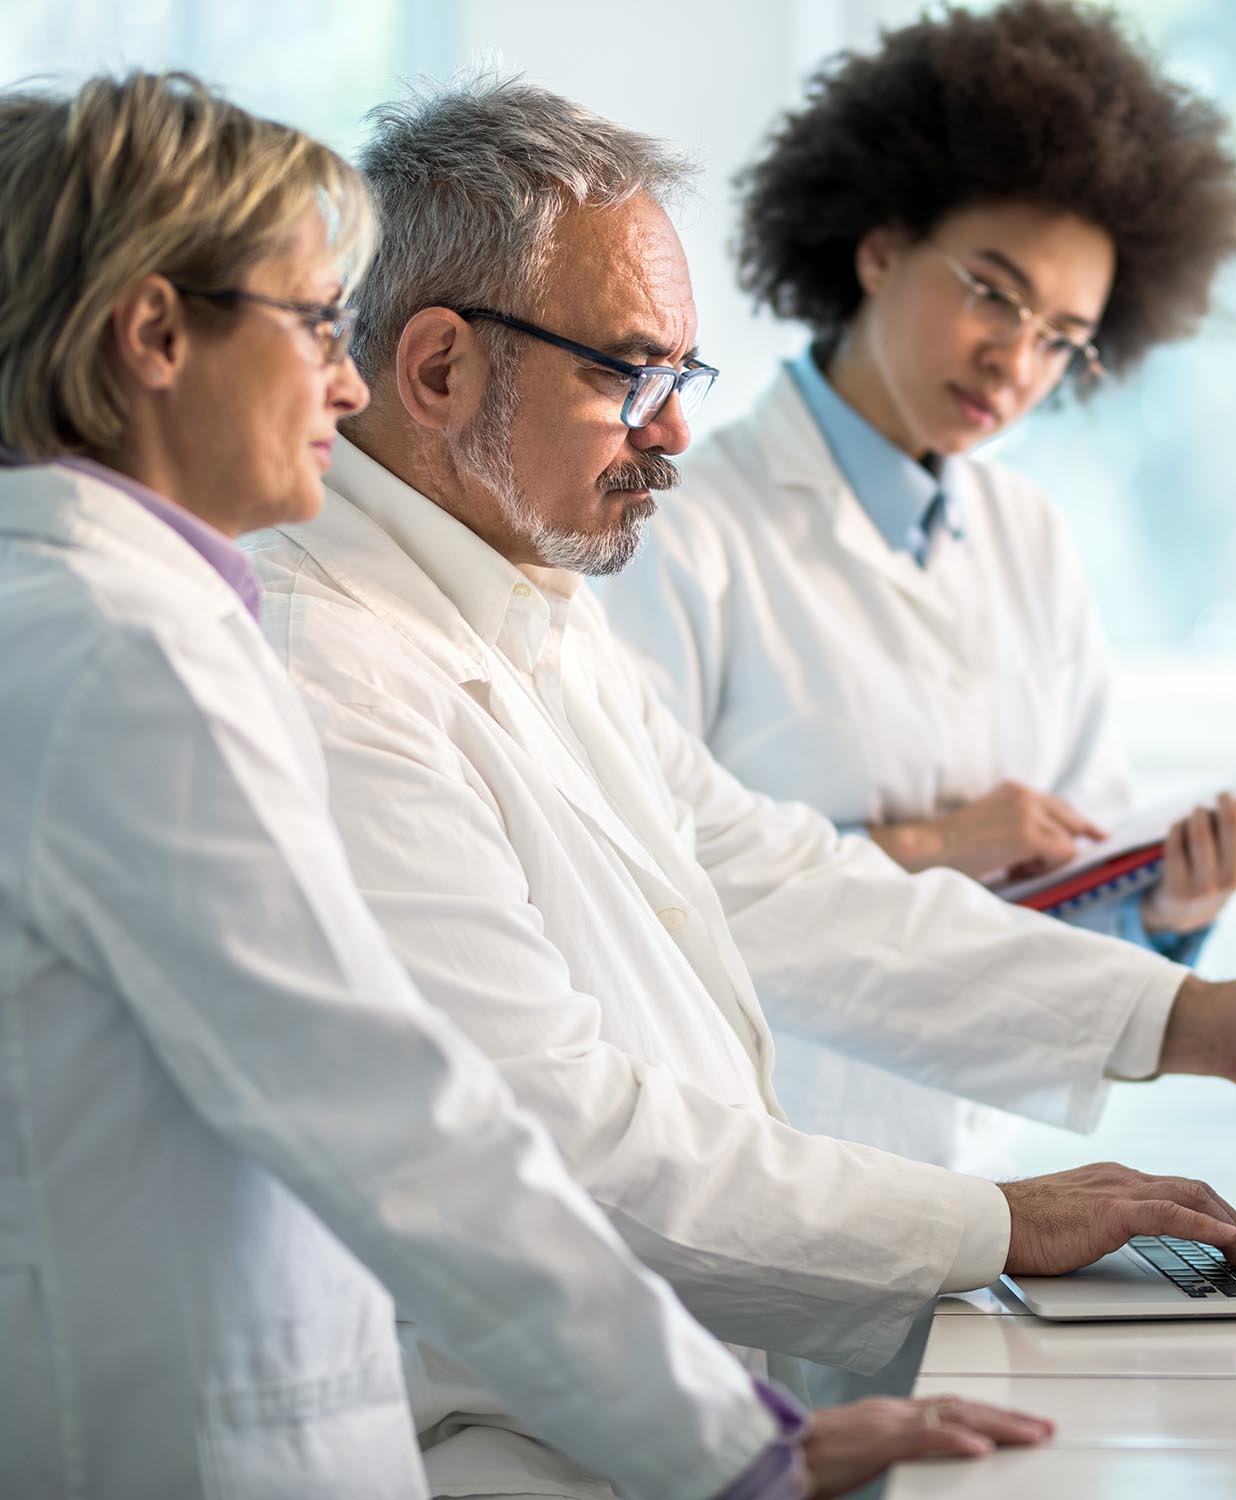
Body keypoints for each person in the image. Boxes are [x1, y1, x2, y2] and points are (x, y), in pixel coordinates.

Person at [244, 73, 1236, 1497]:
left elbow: (770, 876)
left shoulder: (524, 605)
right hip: (482, 1438)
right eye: (631, 375)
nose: (669, 431)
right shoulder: (330, 672)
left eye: (682, 379)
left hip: (635, 1393)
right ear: (435, 371)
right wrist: (988, 1221)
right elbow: (554, 1130)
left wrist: (1181, 1013)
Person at [0, 71, 1044, 1500]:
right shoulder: (134, 653)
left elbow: (748, 871)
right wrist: (739, 1446)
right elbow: (386, 1106)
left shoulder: (105, 616)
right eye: (316, 324)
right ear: (156, 335)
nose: (349, 378)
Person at [599, 0, 1236, 1172]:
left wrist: (1168, 909)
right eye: (993, 293)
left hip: (973, 1166)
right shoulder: (680, 523)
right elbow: (636, 881)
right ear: (879, 249)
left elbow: (1066, 893)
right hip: (750, 1163)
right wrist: (935, 842)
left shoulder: (1030, 538)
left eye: (1063, 337)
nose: (1015, 363)